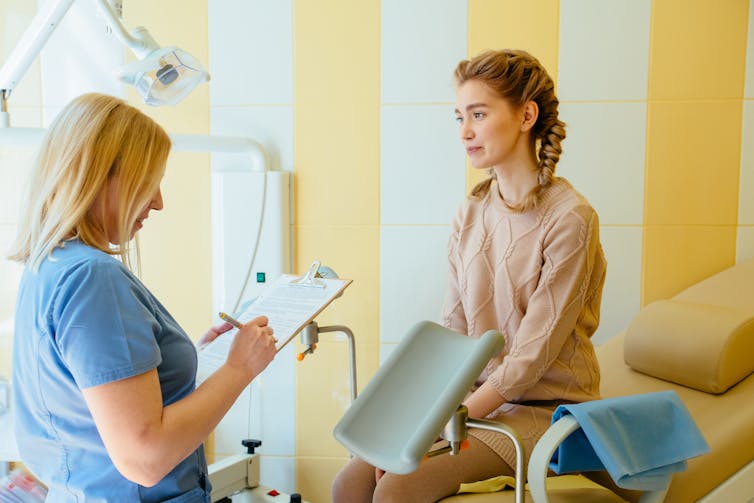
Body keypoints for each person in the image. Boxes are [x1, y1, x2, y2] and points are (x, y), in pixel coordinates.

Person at [332, 49, 607, 502]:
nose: (465, 131)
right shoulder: (472, 211)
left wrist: (438, 427)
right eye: (459, 116)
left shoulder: (570, 219)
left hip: (547, 412)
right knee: (350, 482)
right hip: (474, 402)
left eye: (478, 114)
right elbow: (454, 330)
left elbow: (531, 359)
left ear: (526, 115)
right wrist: (427, 414)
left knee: (398, 489)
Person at [7, 93, 277, 502]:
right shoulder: (92, 278)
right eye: (149, 181)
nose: (159, 201)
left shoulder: (50, 264)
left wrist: (189, 363)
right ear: (101, 177)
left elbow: (99, 399)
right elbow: (144, 458)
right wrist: (239, 369)